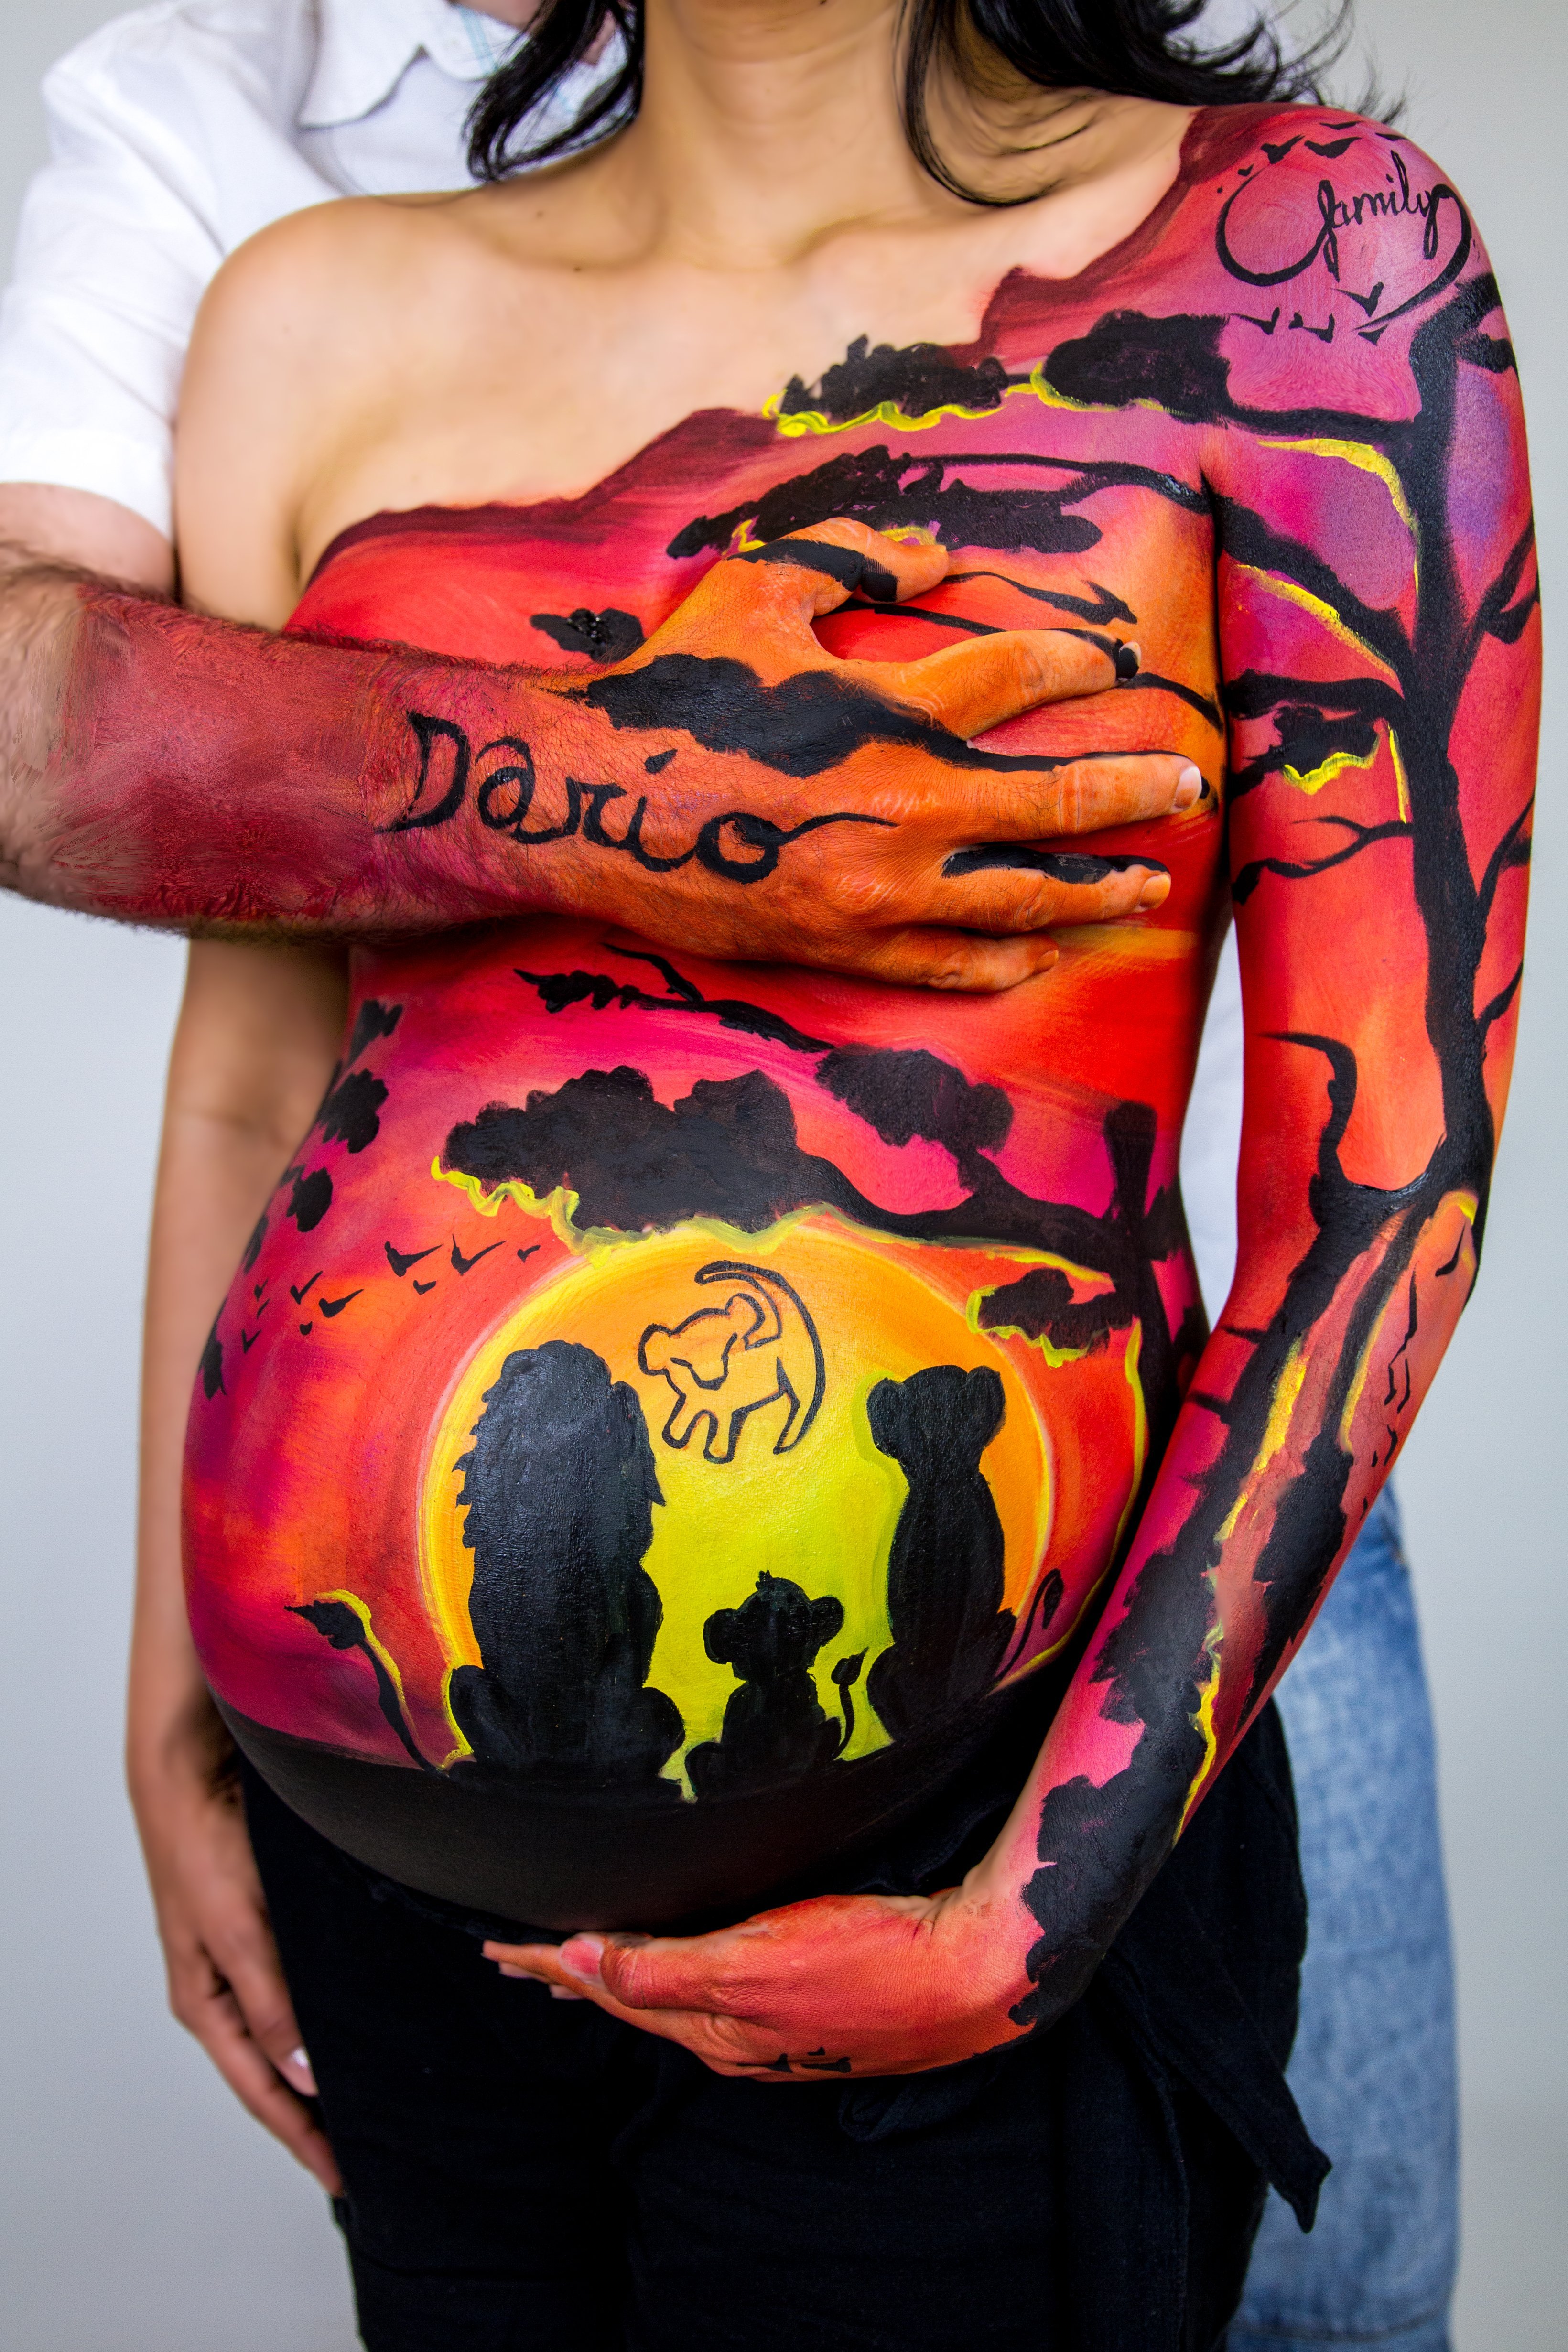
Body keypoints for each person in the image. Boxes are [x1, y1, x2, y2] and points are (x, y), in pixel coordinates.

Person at [0, 4, 1504, 2346]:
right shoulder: (306, 316)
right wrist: (174, 1688)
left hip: (945, 1854)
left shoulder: (1290, 261)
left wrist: (1032, 1915)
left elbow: (1382, 1177)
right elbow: (256, 1074)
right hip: (387, 1901)